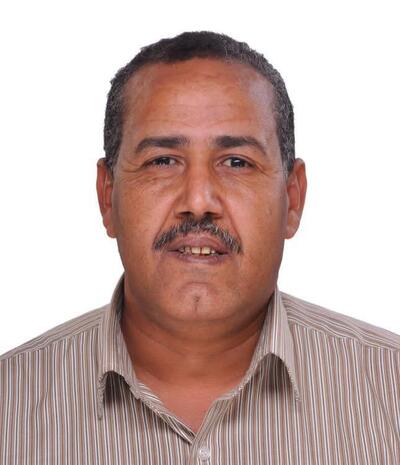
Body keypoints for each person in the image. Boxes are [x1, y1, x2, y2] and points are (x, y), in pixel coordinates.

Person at [0, 31, 399, 465]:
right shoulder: (10, 406)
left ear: (293, 198)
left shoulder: (390, 388)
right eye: (162, 161)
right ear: (107, 196)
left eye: (237, 162)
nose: (198, 201)